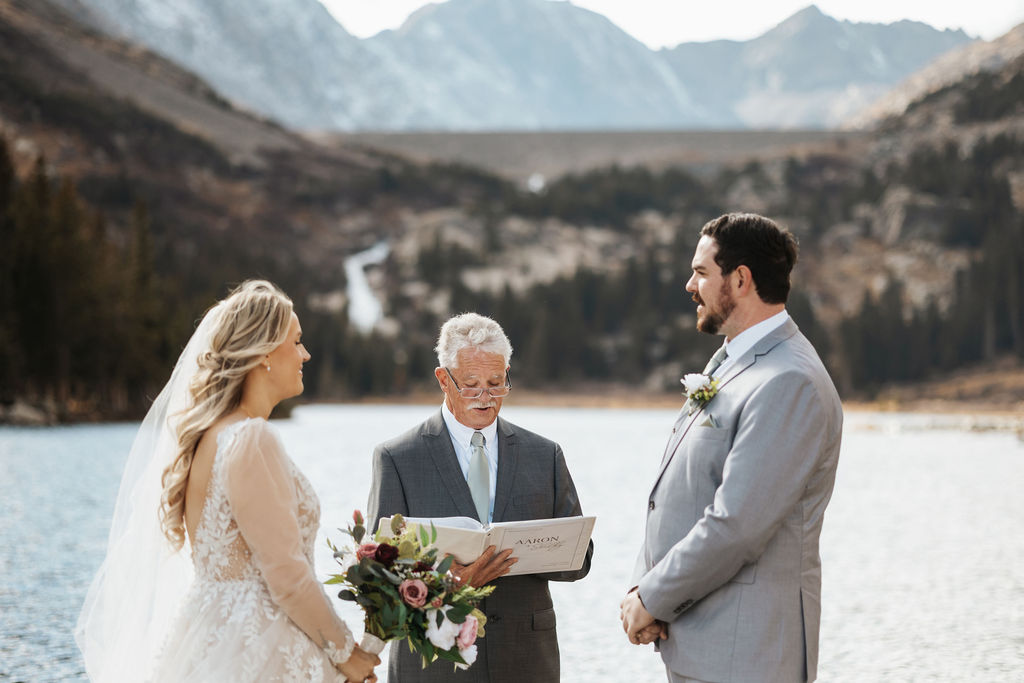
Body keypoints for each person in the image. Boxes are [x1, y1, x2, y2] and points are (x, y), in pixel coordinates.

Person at [76, 280, 379, 683]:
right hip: (262, 646)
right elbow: (287, 578)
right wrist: (347, 656)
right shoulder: (250, 439)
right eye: (296, 342)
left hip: (211, 637)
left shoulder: (208, 438)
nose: (305, 354)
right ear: (265, 353)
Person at [620, 213, 843, 683]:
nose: (689, 285)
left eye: (701, 272)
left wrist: (653, 598)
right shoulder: (734, 363)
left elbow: (737, 524)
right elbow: (683, 492)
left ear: (740, 280)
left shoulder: (789, 380)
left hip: (746, 656)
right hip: (704, 643)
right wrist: (647, 589)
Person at [367, 312, 593, 682]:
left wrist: (534, 549)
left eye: (496, 383)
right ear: (444, 379)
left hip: (525, 661)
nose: (486, 398)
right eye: (471, 385)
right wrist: (446, 579)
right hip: (433, 664)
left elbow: (580, 560)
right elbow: (378, 574)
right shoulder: (396, 458)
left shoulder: (545, 454)